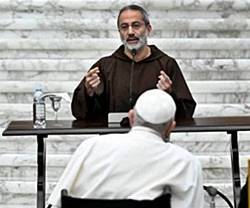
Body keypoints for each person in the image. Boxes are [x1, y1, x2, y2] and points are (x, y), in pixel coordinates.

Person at [48, 89, 204, 208]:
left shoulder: (90, 147)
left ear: (131, 118)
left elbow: (55, 202)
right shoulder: (185, 163)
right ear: (171, 127)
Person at [71, 4, 196, 120]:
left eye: (136, 25)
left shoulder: (166, 65)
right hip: (115, 140)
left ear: (148, 29)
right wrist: (89, 92)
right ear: (119, 32)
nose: (130, 32)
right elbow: (80, 114)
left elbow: (187, 113)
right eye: (124, 27)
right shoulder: (104, 66)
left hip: (151, 140)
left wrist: (170, 94)